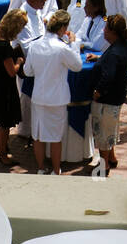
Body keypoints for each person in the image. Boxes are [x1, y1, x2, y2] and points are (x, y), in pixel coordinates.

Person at [23, 10, 83, 175]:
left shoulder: (35, 45)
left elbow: (27, 71)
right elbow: (77, 66)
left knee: (38, 135)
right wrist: (74, 44)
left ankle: (41, 168)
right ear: (63, 28)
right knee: (55, 138)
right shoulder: (63, 48)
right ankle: (56, 171)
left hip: (39, 97)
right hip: (57, 99)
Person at [90, 14, 127, 171]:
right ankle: (112, 158)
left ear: (112, 31)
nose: (103, 30)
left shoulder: (114, 53)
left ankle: (103, 166)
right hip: (117, 98)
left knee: (102, 135)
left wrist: (97, 92)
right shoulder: (124, 46)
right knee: (110, 130)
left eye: (106, 28)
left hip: (107, 100)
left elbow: (108, 76)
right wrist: (99, 58)